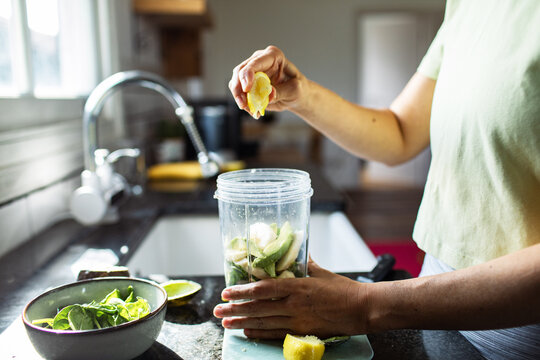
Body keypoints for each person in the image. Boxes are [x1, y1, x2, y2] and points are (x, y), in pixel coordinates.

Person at [213, 1, 540, 359]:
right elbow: (399, 133)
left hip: (521, 333)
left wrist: (363, 305)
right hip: (434, 297)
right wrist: (301, 95)